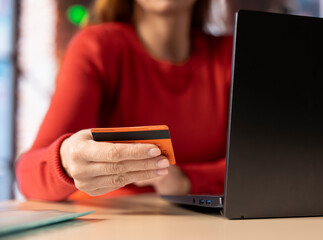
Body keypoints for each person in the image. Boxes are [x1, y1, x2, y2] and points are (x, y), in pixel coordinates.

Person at [16, 0, 233, 201]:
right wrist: (65, 162)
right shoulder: (96, 47)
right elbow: (29, 175)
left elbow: (261, 167)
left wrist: (186, 180)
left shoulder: (232, 54)